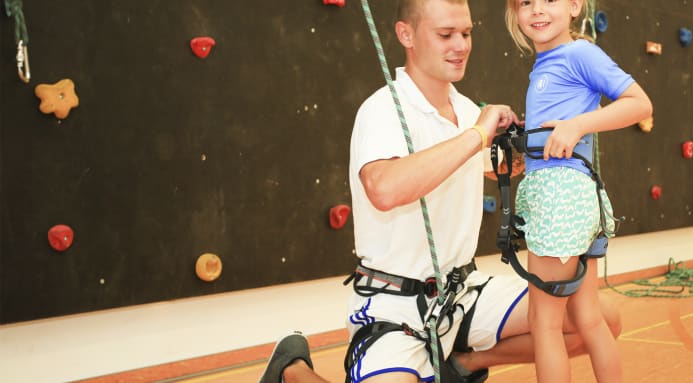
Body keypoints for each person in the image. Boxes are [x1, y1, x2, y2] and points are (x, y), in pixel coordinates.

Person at [259, 1, 622, 382]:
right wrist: (477, 136)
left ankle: (463, 366)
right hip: (395, 308)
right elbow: (383, 189)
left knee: (598, 319)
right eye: (445, 35)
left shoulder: (468, 111)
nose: (461, 46)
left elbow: (496, 166)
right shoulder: (383, 109)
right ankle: (292, 371)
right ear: (406, 35)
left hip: (463, 295)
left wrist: (530, 142)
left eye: (466, 34)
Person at [503, 0, 653, 382]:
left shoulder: (579, 53)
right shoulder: (547, 63)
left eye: (548, 0)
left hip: (560, 196)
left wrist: (577, 126)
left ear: (574, 6)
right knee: (587, 317)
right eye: (525, 3)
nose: (536, 10)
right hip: (574, 196)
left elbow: (639, 103)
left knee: (545, 323)